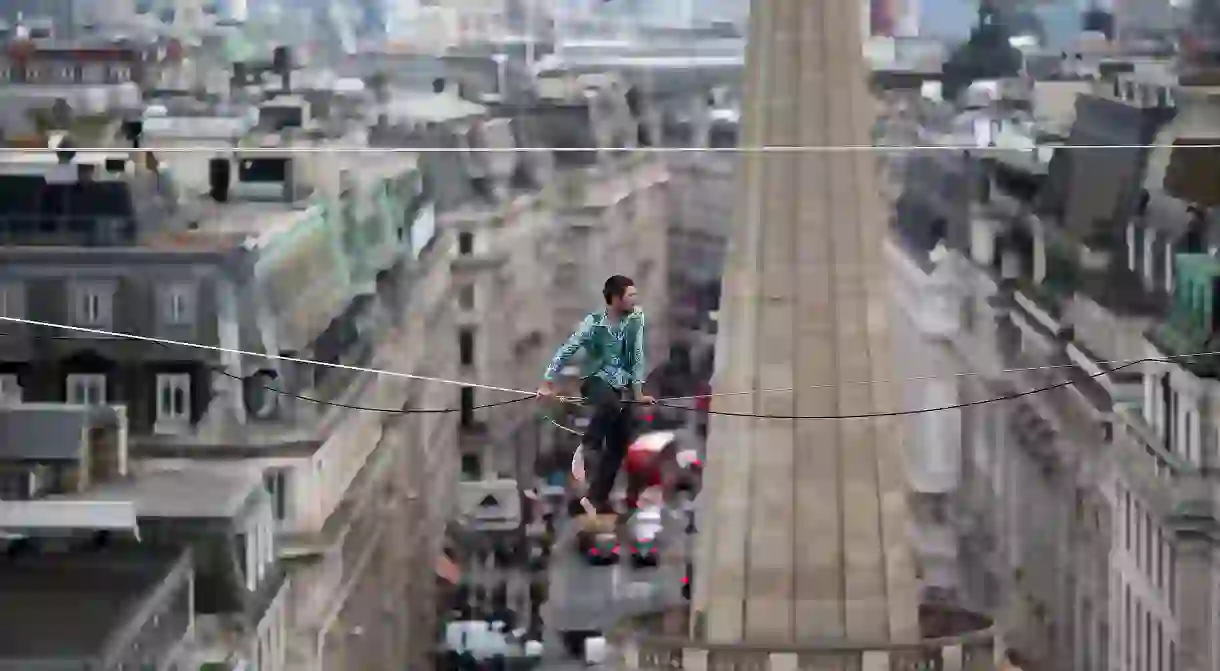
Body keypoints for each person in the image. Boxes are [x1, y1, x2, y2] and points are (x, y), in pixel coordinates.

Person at [537, 275, 656, 516]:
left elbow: (637, 357)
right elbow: (566, 350)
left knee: (619, 446)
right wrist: (547, 382)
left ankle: (595, 497)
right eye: (630, 295)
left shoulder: (635, 321)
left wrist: (638, 393)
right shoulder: (594, 323)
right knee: (610, 407)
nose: (635, 299)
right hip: (594, 381)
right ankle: (588, 443)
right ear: (615, 298)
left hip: (620, 386)